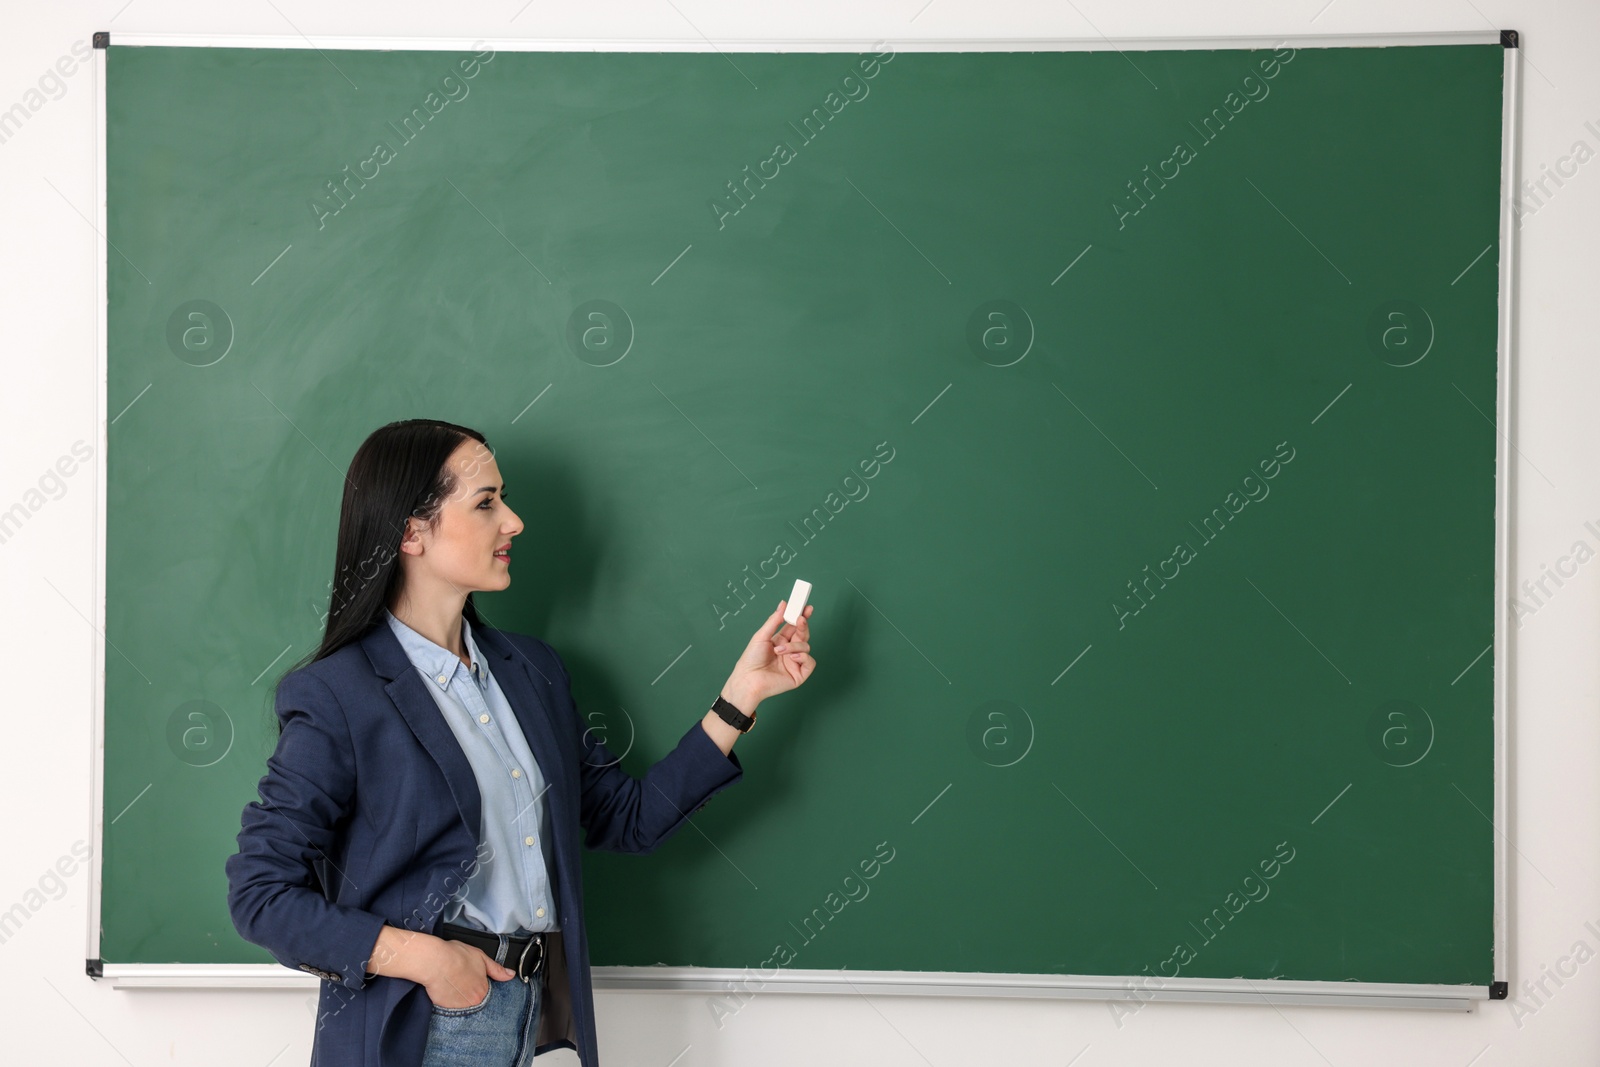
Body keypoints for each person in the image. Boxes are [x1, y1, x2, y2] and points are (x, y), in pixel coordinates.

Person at [225, 419, 816, 1067]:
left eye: (502, 498)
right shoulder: (339, 692)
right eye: (485, 503)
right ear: (411, 532)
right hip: (419, 1023)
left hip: (524, 1013)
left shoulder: (531, 670)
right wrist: (430, 960)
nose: (514, 521)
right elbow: (262, 893)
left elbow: (627, 818)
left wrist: (741, 697)